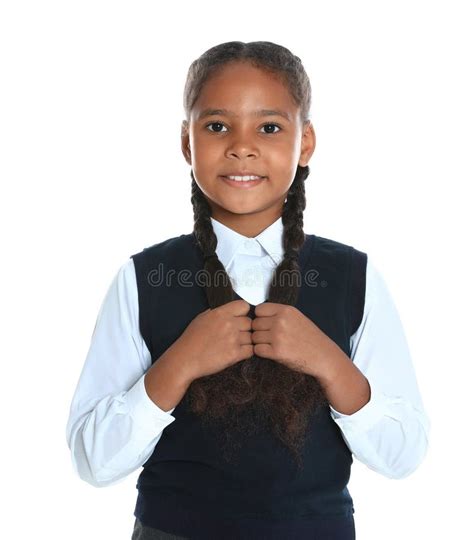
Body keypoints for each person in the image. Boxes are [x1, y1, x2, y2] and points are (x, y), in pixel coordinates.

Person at [66, 41, 431, 540]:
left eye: (269, 127)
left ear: (304, 142)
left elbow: (403, 454)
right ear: (186, 142)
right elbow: (92, 461)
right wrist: (179, 364)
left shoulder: (353, 277)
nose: (242, 146)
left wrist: (329, 362)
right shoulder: (144, 277)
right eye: (217, 126)